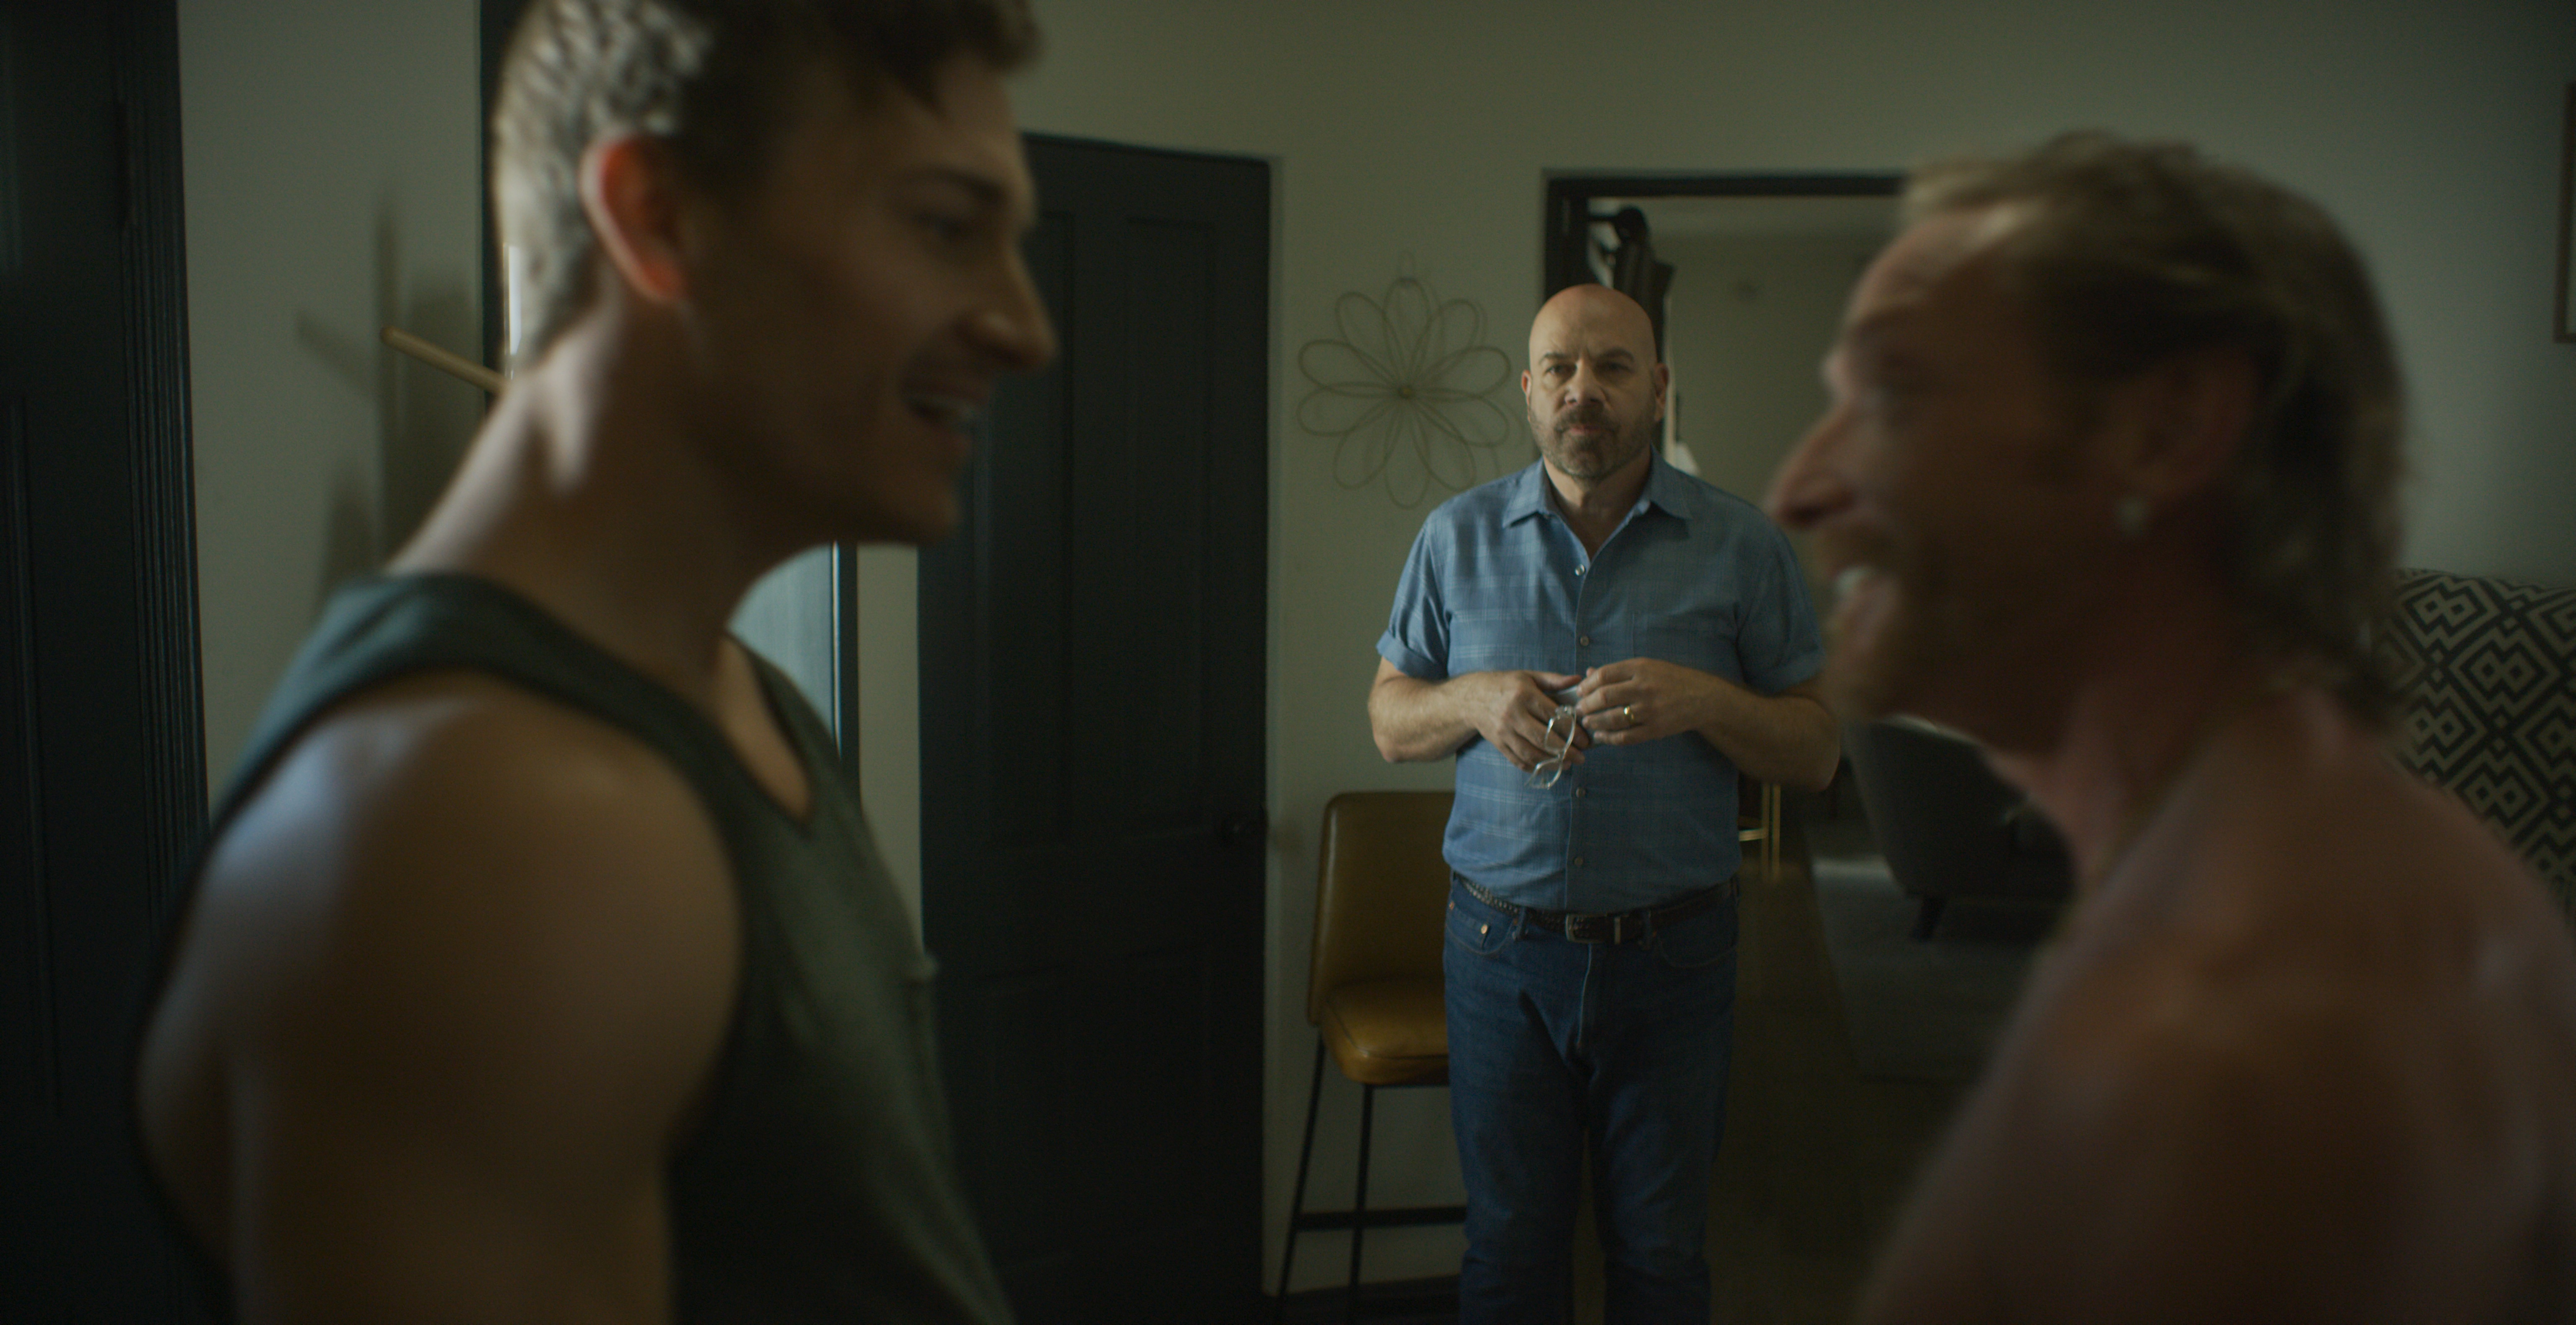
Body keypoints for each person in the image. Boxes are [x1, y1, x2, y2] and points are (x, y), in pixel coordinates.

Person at [134, 1, 1054, 1320]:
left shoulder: (739, 703)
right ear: (660, 217)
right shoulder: (500, 825)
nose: (1025, 327)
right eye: (946, 226)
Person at [1765, 131, 2576, 1322]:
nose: (1797, 488)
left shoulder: (2222, 1051)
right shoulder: (2315, 843)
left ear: (2166, 429)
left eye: (1893, 391)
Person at [1368, 282, 1841, 1321]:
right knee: (1506, 1251)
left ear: (1659, 388)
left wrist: (1708, 700)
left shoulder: (1743, 545)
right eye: (1562, 368)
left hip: (1676, 955)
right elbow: (1390, 722)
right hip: (1498, 953)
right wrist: (1472, 699)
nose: (1584, 389)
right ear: (1529, 388)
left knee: (1662, 1257)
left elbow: (1817, 752)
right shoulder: (1455, 537)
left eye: (1614, 366)